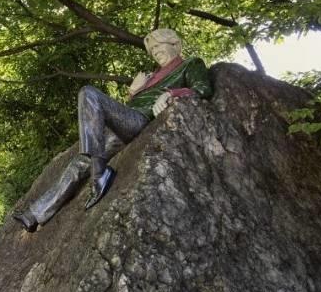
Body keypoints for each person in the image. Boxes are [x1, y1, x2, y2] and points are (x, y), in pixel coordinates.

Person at [13, 28, 213, 232]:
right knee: (81, 162)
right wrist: (134, 91)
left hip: (139, 120)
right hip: (123, 123)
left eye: (158, 45)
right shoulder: (151, 76)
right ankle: (34, 215)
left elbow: (203, 89)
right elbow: (134, 102)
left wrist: (171, 94)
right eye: (151, 49)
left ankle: (100, 174)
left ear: (175, 45)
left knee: (88, 92)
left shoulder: (190, 64)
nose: (154, 52)